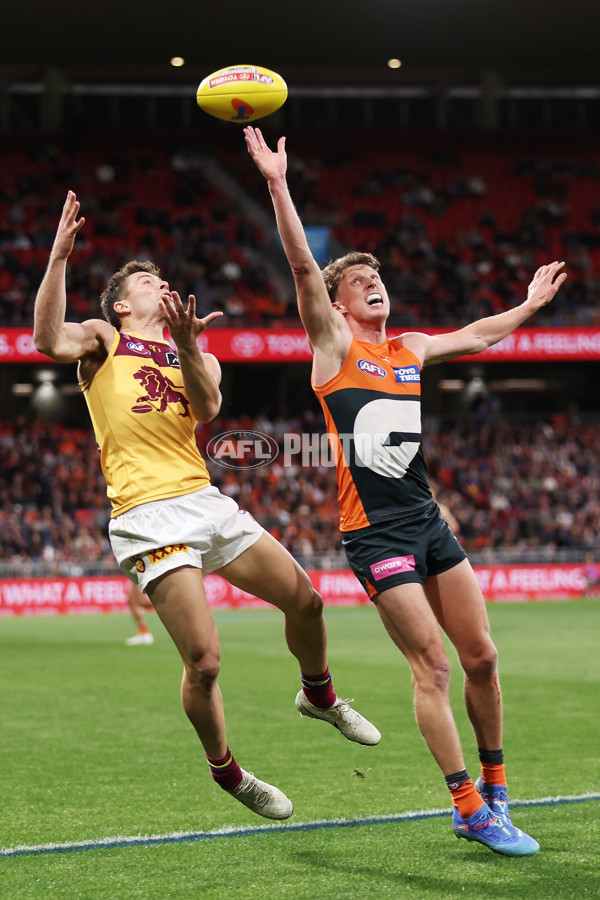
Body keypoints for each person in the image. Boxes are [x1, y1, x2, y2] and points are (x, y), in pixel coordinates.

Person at [245, 125, 568, 855]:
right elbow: (300, 263)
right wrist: (276, 181)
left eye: (377, 276)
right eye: (359, 281)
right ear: (335, 304)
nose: (374, 283)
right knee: (434, 664)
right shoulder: (333, 347)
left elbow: (478, 335)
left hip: (426, 520)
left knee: (482, 657)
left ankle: (496, 789)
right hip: (376, 535)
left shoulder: (409, 348)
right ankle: (465, 806)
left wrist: (527, 306)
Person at [33, 191, 380, 822]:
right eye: (146, 281)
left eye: (161, 278)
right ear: (121, 303)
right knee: (206, 661)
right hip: (145, 514)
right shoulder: (104, 339)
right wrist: (58, 257)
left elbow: (208, 408)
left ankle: (319, 695)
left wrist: (190, 345)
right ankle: (228, 771)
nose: (159, 282)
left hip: (203, 500)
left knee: (306, 599)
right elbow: (45, 339)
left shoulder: (200, 351)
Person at [125, 581, 154, 645]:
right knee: (132, 600)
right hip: (137, 574)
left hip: (139, 573)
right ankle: (143, 633)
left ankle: (145, 634)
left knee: (139, 601)